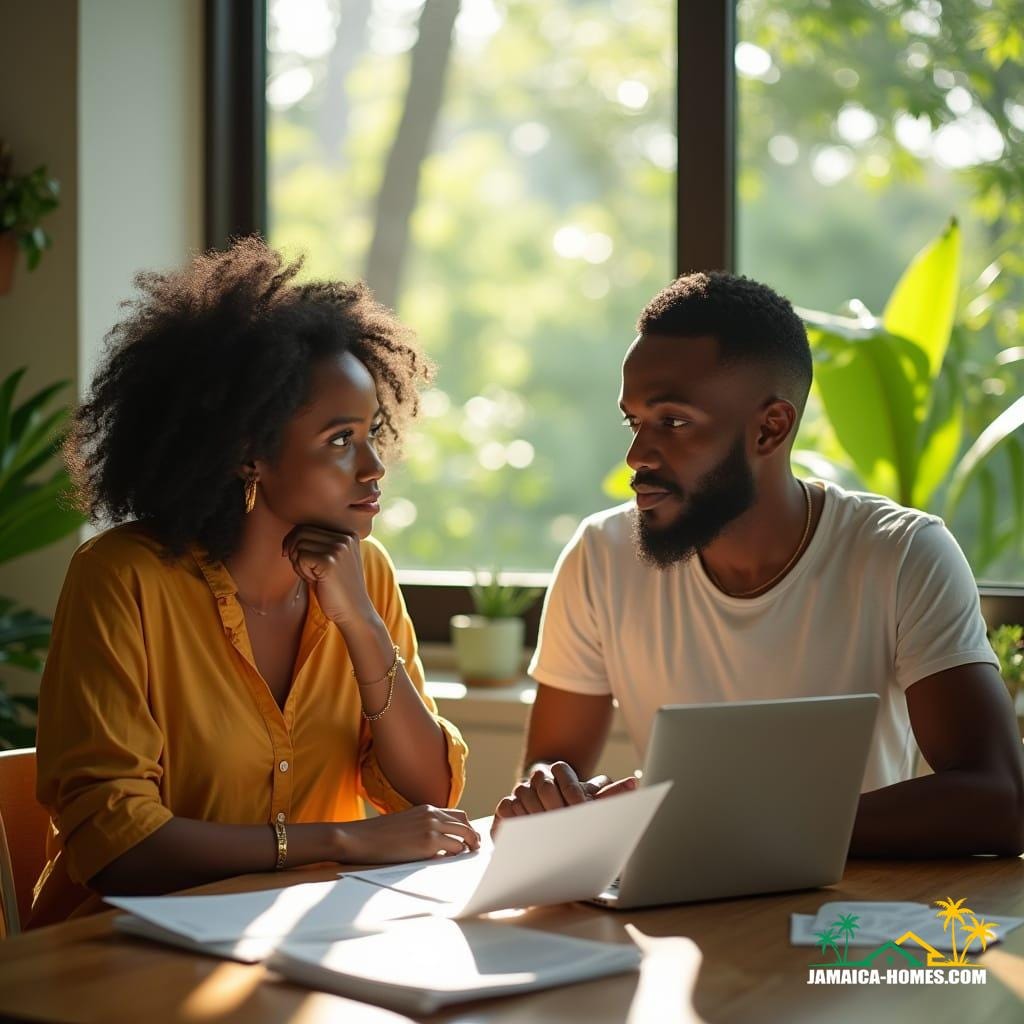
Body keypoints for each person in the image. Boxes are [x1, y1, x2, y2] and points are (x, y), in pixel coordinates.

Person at [494, 272, 1024, 857]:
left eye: (672, 422)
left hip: (852, 912)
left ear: (771, 427)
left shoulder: (901, 554)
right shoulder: (600, 556)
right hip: (682, 909)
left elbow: (999, 801)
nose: (637, 455)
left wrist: (730, 823)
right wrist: (546, 795)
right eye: (634, 421)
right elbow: (551, 762)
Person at [31, 239, 476, 927]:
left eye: (371, 433)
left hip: (295, 942)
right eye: (339, 440)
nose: (373, 467)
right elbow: (116, 844)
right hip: (118, 956)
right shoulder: (124, 579)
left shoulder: (368, 576)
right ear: (248, 453)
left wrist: (360, 625)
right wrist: (341, 840)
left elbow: (427, 793)